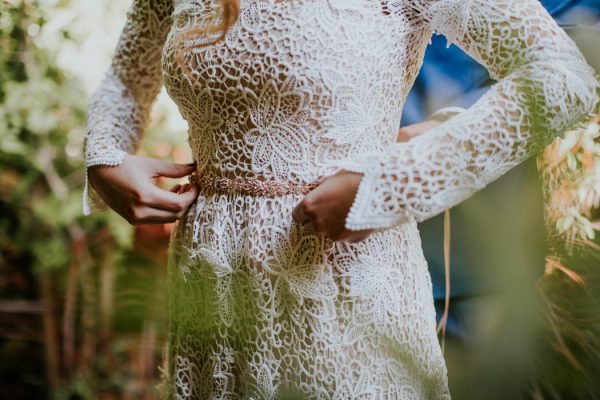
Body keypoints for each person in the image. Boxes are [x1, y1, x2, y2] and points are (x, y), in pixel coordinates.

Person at [82, 0, 599, 398]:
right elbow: (127, 78)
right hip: (210, 280)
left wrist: (393, 183)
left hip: (347, 284)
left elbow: (560, 77)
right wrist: (105, 158)